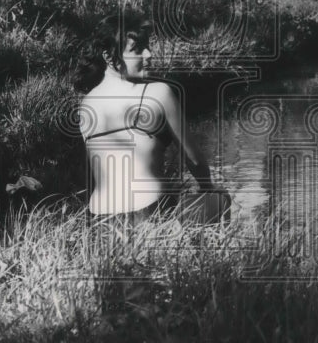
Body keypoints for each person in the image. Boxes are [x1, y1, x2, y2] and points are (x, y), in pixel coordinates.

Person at [74, 14, 214, 224]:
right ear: (109, 57)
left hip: (98, 221)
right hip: (147, 213)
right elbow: (194, 160)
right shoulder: (158, 92)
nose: (148, 54)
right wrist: (208, 189)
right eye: (137, 49)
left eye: (147, 46)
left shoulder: (86, 104)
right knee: (219, 199)